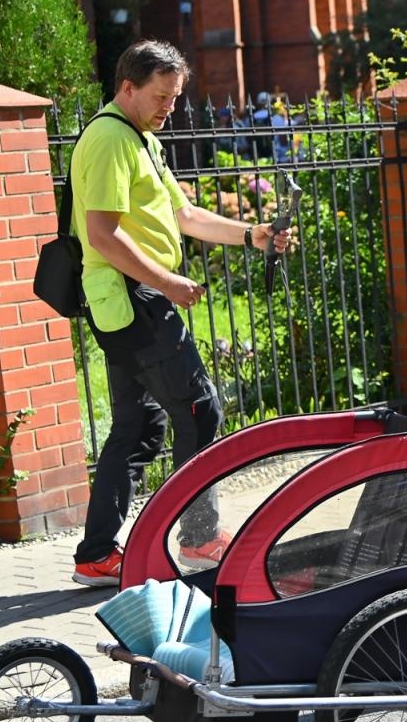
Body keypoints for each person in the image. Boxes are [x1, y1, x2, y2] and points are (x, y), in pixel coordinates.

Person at [71, 41, 294, 587]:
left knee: (136, 423)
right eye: (160, 96)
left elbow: (183, 213)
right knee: (199, 411)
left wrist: (252, 235)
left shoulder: (141, 138)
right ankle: (197, 540)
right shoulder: (108, 139)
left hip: (131, 298)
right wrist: (168, 282)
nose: (168, 106)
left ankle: (97, 555)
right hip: (135, 298)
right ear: (127, 86)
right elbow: (102, 232)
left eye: (174, 97)